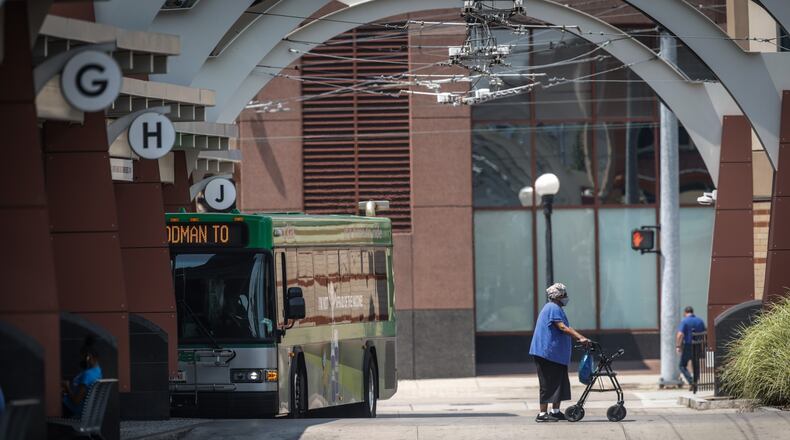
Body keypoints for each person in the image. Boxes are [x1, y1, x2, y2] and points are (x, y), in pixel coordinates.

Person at [529, 283, 590, 422]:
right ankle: (542, 414)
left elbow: (565, 327)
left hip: (556, 355)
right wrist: (580, 337)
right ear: (557, 296)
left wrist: (578, 336)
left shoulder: (556, 308)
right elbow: (562, 327)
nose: (566, 297)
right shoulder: (552, 307)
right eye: (564, 295)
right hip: (547, 354)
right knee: (547, 383)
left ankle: (555, 411)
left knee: (559, 383)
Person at [61, 336, 103, 418]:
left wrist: (67, 386)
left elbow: (76, 401)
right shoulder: (98, 371)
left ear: (88, 357)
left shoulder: (87, 375)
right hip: (80, 409)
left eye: (82, 356)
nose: (81, 360)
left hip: (71, 409)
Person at [676, 306, 706, 390]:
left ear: (685, 312)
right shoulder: (700, 321)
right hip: (698, 345)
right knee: (696, 365)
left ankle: (691, 381)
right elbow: (704, 334)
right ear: (693, 312)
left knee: (682, 365)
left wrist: (678, 346)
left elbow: (680, 334)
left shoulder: (684, 321)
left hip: (688, 345)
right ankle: (695, 382)